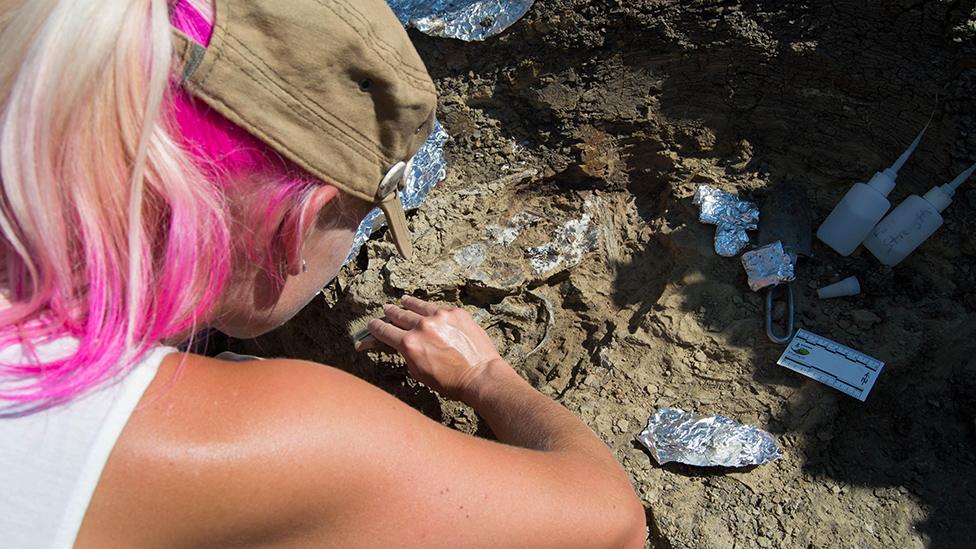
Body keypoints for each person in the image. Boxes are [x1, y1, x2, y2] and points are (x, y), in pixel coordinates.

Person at [0, 0, 646, 547]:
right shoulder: (276, 436)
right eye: (360, 220)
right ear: (299, 221)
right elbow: (610, 522)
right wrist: (487, 377)